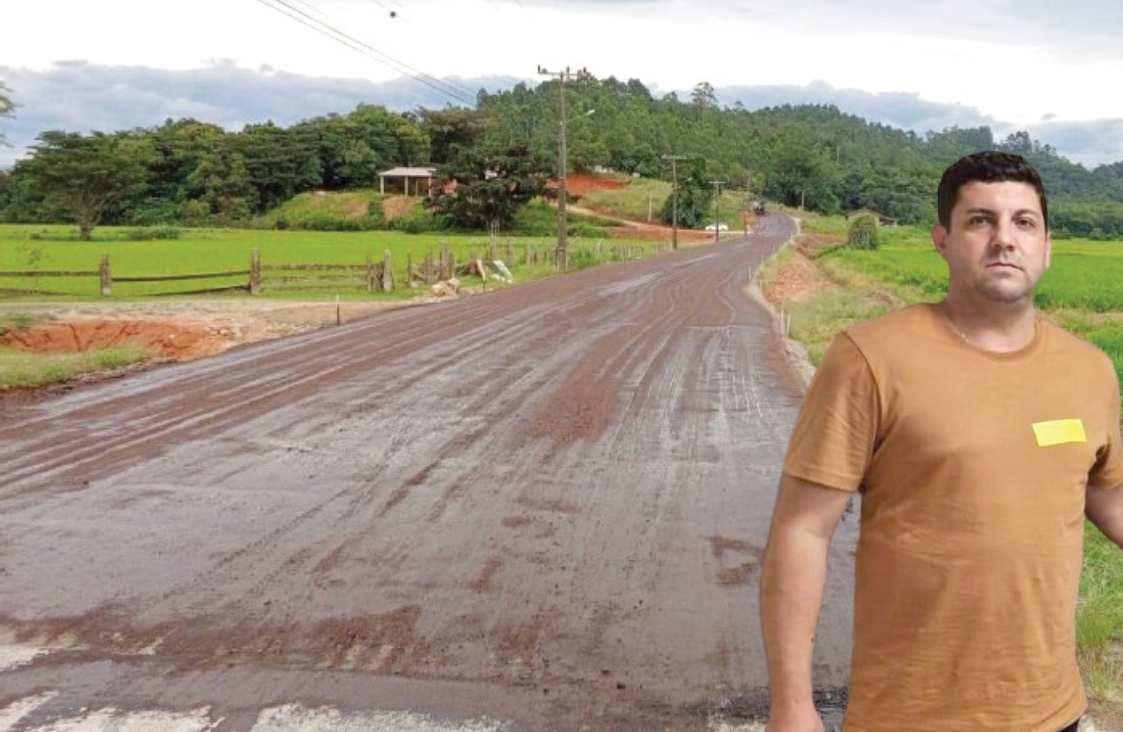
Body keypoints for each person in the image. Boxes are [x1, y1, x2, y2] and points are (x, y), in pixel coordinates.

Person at [759, 151, 1123, 732]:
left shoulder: (1090, 371)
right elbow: (801, 530)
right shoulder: (870, 358)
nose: (1004, 239)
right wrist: (792, 707)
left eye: (1024, 222)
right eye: (980, 220)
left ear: (1047, 245)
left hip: (1054, 710)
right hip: (912, 714)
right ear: (942, 241)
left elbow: (1106, 494)